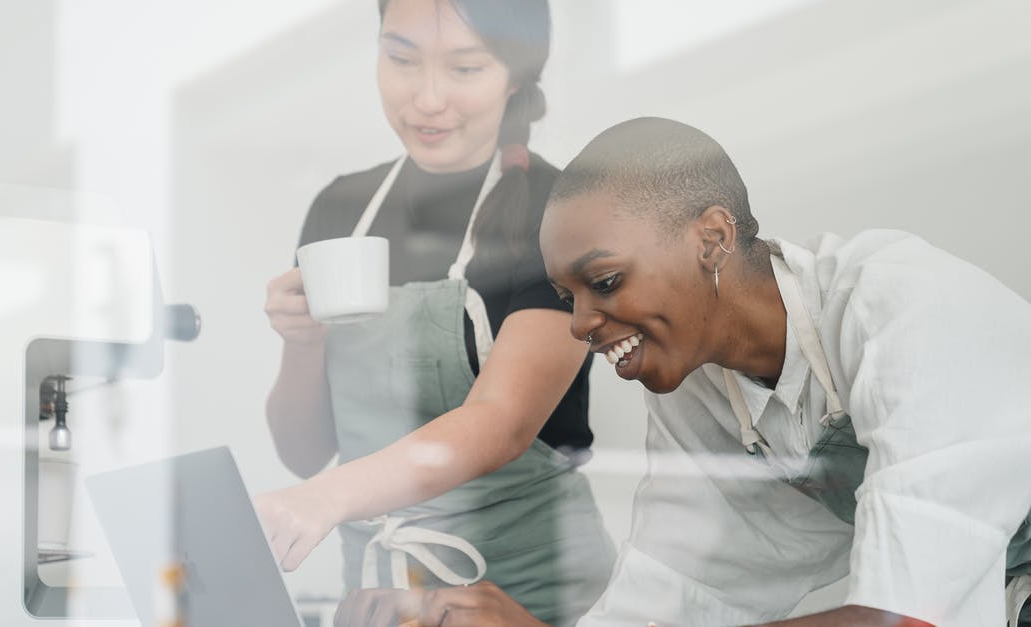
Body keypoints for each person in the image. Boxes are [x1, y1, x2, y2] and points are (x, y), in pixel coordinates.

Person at [378, 117, 1031, 626]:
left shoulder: (902, 308)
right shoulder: (698, 385)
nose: (580, 324)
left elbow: (904, 615)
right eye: (566, 296)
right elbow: (675, 586)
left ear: (713, 240)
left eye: (604, 281)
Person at [257, 1, 616, 625]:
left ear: (515, 73)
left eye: (464, 68)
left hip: (533, 598)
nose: (426, 99)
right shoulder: (340, 209)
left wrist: (324, 500)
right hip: (380, 599)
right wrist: (303, 341)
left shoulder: (563, 211)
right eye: (401, 60)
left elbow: (500, 424)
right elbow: (303, 452)